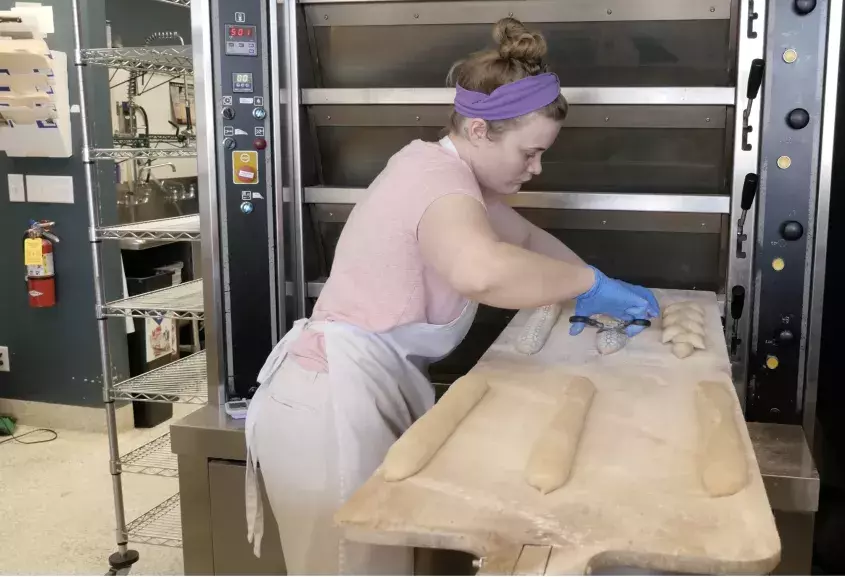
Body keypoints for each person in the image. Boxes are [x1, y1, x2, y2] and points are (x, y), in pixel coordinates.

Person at [244, 18, 660, 575]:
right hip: (325, 408)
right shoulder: (435, 180)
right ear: (481, 131)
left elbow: (526, 239)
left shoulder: (452, 176)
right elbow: (481, 272)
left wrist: (600, 283)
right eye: (530, 153)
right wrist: (588, 287)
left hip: (356, 393)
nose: (536, 169)